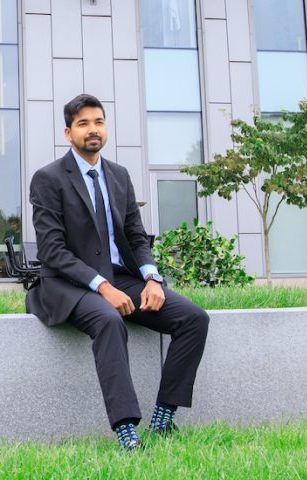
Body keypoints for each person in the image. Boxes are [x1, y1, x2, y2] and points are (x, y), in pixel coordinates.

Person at [26, 94, 209, 450]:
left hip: (119, 276)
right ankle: (126, 429)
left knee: (193, 319)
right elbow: (52, 250)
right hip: (68, 284)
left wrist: (152, 277)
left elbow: (137, 236)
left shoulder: (119, 176)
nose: (92, 130)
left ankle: (164, 416)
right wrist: (101, 286)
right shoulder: (48, 179)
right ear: (68, 133)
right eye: (83, 124)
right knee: (109, 321)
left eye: (98, 122)